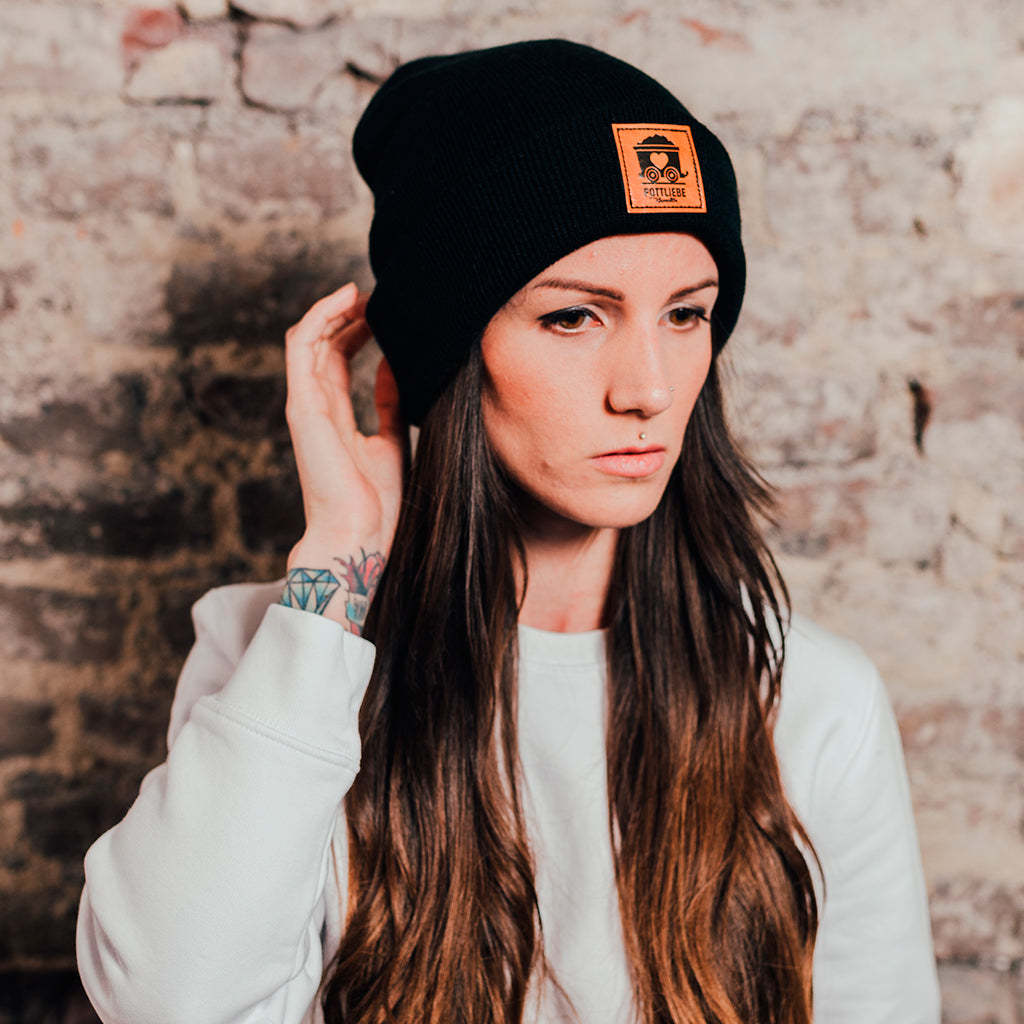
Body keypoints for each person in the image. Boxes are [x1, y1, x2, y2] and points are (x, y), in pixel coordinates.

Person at [75, 38, 941, 1024]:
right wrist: (337, 564)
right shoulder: (280, 659)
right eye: (575, 317)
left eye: (685, 315)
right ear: (449, 353)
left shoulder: (811, 700)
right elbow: (170, 1001)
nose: (649, 390)